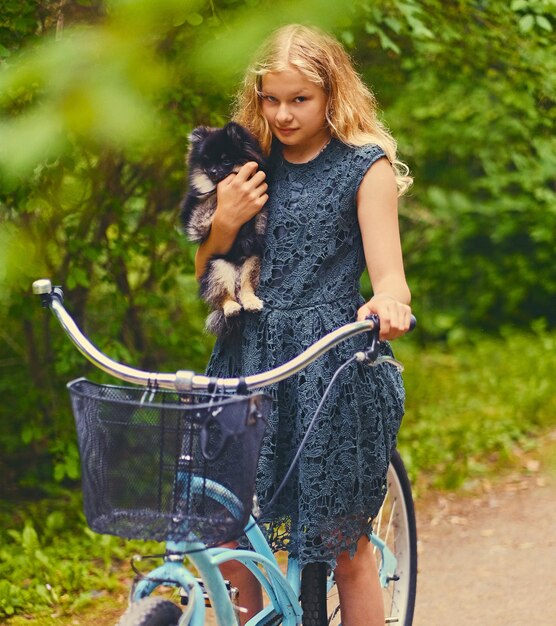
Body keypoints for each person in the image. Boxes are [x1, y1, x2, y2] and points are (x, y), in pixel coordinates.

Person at [194, 24, 412, 626]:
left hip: (329, 365)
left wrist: (387, 305)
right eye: (271, 99)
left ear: (331, 94)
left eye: (299, 99)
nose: (283, 114)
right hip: (248, 358)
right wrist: (223, 222)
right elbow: (209, 274)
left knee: (343, 544)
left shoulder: (364, 168)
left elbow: (390, 275)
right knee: (229, 531)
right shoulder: (246, 165)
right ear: (256, 97)